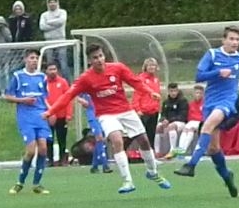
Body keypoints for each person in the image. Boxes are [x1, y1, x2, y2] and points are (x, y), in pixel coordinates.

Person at [44, 43, 171, 194]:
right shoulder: (85, 78)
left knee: (144, 140)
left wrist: (149, 92)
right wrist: (50, 111)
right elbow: (68, 96)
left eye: (100, 56)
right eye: (95, 58)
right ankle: (127, 181)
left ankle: (152, 172)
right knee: (117, 141)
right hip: (106, 115)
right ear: (89, 61)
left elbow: (135, 82)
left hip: (125, 110)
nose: (99, 60)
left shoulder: (117, 68)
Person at [174, 26, 239, 198]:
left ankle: (191, 165)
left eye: (237, 40)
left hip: (227, 101)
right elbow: (199, 76)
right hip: (210, 102)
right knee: (213, 149)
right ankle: (228, 177)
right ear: (224, 40)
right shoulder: (212, 55)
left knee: (207, 126)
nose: (235, 42)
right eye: (231, 39)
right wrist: (218, 72)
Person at [6, 48, 51, 195]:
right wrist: (23, 100)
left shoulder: (42, 77)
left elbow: (44, 97)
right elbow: (8, 96)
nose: (34, 60)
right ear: (25, 59)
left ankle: (37, 184)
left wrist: (51, 111)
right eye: (31, 58)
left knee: (43, 149)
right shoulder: (18, 76)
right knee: (31, 151)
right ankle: (20, 182)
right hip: (26, 117)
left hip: (40, 116)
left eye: (36, 58)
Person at [45, 61, 72, 166]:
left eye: (54, 69)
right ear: (46, 71)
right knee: (49, 139)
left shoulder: (63, 82)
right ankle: (50, 160)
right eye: (50, 69)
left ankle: (62, 159)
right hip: (48, 116)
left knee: (62, 139)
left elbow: (68, 98)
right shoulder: (44, 83)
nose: (53, 71)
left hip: (61, 115)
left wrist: (68, 114)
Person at [76, 93, 112, 174]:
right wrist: (81, 100)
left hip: (103, 113)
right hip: (92, 114)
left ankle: (94, 166)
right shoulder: (86, 86)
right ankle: (105, 165)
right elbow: (76, 94)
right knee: (99, 138)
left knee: (99, 140)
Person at [132, 57, 161, 147]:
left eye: (153, 65)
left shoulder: (156, 80)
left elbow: (157, 95)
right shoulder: (141, 79)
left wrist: (157, 108)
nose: (152, 67)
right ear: (145, 67)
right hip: (144, 111)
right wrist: (137, 109)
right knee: (141, 135)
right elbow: (137, 95)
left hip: (154, 111)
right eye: (149, 65)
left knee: (151, 135)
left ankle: (151, 152)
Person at [39, 0, 69, 80]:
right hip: (48, 41)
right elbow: (42, 26)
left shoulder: (62, 12)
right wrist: (55, 25)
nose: (52, 4)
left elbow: (61, 21)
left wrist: (48, 22)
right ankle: (50, 81)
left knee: (63, 62)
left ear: (57, 3)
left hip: (61, 40)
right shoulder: (44, 15)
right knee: (50, 62)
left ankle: (66, 82)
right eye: (50, 2)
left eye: (54, 2)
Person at [155, 83, 188, 158]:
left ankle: (172, 150)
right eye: (171, 91)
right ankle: (157, 152)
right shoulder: (166, 102)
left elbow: (183, 116)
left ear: (178, 91)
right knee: (158, 127)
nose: (173, 93)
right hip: (169, 122)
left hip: (180, 123)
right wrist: (163, 120)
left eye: (175, 91)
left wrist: (169, 121)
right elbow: (163, 114)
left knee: (171, 126)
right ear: (168, 91)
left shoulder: (183, 101)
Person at [175, 85, 205, 156]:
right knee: (185, 130)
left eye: (200, 93)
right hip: (191, 122)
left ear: (202, 94)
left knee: (191, 130)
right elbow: (189, 116)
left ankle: (183, 151)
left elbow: (204, 116)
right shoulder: (191, 104)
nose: (198, 95)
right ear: (194, 94)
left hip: (200, 122)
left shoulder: (205, 104)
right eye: (196, 93)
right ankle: (180, 150)